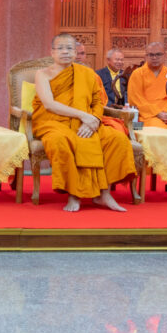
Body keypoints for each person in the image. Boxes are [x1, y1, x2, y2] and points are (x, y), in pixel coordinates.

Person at [32, 33, 136, 212]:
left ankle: (104, 193)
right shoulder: (42, 74)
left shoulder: (87, 74)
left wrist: (93, 120)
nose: (65, 52)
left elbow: (97, 102)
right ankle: (74, 194)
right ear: (52, 52)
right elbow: (49, 104)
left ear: (75, 52)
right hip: (54, 122)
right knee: (60, 142)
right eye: (60, 48)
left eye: (69, 48)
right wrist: (83, 116)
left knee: (117, 139)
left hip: (87, 122)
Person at [126, 42, 167, 129]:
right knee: (160, 128)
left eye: (158, 54)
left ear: (165, 56)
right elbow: (135, 100)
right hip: (148, 116)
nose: (154, 58)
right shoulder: (137, 74)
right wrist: (157, 113)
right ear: (145, 57)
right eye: (151, 55)